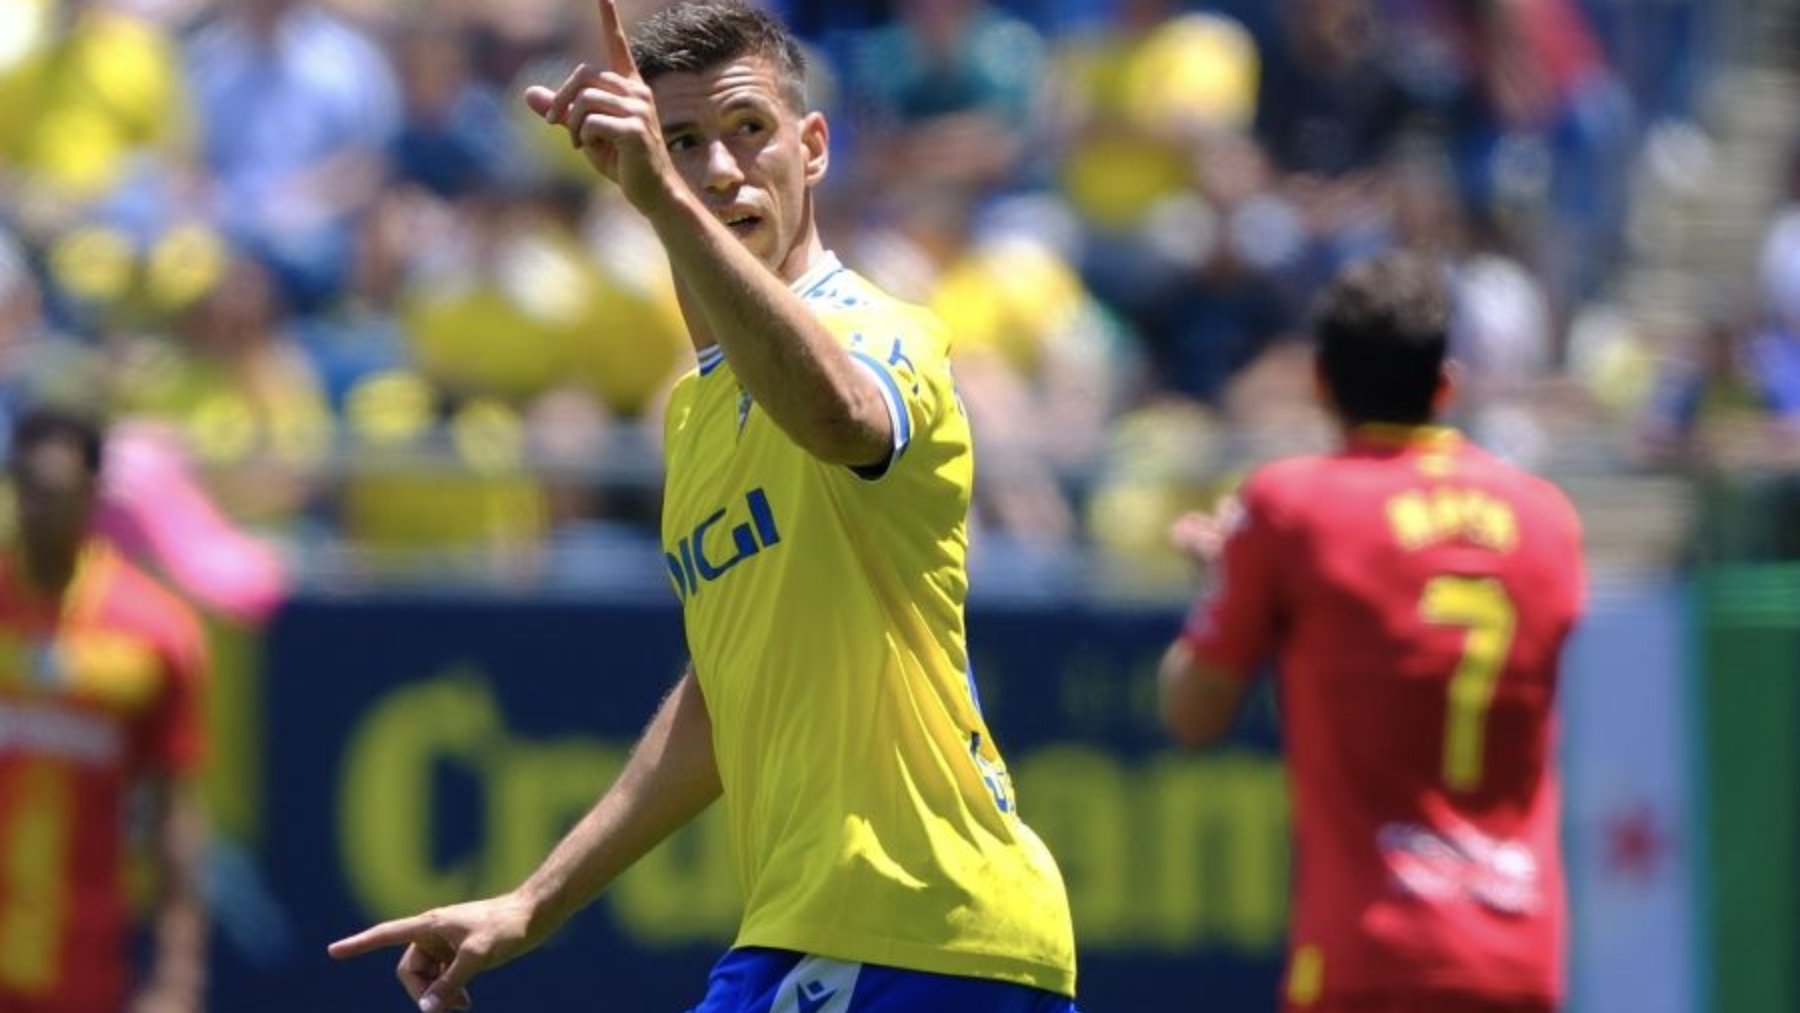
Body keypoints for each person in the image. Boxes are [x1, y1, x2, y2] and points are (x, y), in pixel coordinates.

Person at [328, 3, 1079, 1012]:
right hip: (837, 934)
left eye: (748, 131)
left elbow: (843, 415)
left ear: (812, 148)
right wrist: (535, 901)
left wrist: (662, 203)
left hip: (914, 921)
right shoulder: (694, 411)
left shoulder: (881, 326)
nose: (721, 170)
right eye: (682, 143)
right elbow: (727, 694)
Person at [1158, 252, 1585, 1013]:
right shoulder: (1546, 519)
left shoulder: (1295, 509)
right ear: (1447, 383)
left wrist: (1231, 578)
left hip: (1372, 947)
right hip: (1522, 952)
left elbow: (1193, 710)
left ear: (1319, 381)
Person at [0, 408, 210, 1013]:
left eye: (56, 492)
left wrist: (178, 977)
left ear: (93, 493)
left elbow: (173, 813)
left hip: (82, 958)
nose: (37, 510)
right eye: (26, 490)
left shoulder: (153, 632)